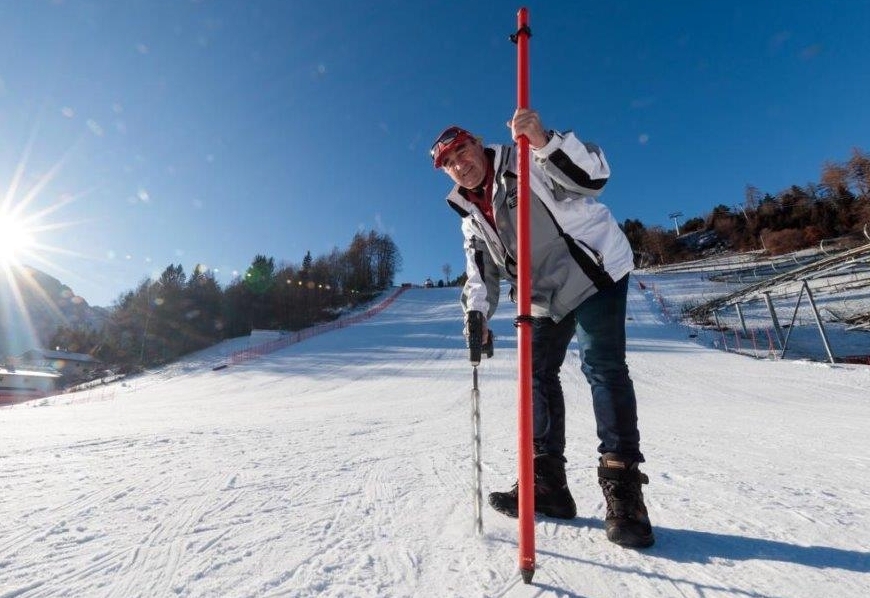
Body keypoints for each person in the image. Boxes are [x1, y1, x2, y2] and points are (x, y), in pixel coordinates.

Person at [431, 109, 654, 548]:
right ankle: (547, 484)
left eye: (462, 151)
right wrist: (476, 317)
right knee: (535, 376)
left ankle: (624, 491)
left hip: (592, 271)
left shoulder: (526, 156)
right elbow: (479, 274)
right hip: (542, 294)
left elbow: (594, 178)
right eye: (449, 163)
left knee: (602, 367)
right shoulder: (470, 217)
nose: (460, 164)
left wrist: (547, 141)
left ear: (478, 143)